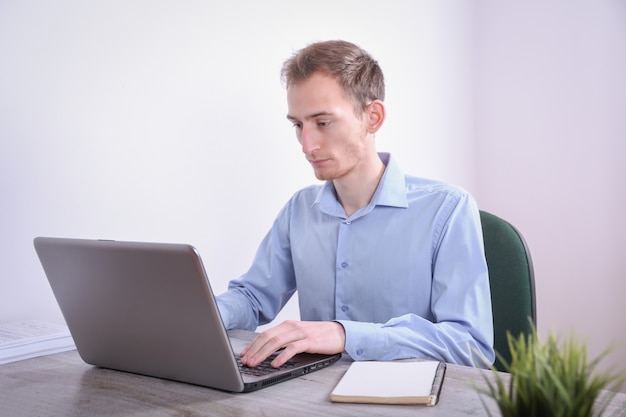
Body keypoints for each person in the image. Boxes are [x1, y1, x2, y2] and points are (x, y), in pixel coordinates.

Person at [216, 40, 495, 369]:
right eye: (298, 125)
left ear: (372, 117)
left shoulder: (447, 209)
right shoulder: (300, 209)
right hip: (312, 396)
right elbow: (251, 297)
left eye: (323, 122)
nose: (307, 144)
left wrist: (346, 335)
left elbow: (470, 347)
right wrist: (195, 314)